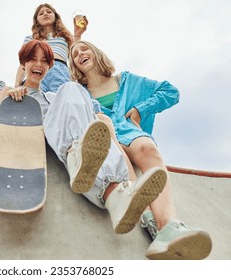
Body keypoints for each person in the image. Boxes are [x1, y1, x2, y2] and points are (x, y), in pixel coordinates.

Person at [3, 39, 167, 240]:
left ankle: (116, 199)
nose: (38, 65)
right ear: (23, 65)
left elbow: (92, 115)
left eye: (44, 61)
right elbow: (0, 118)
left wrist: (105, 123)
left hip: (84, 146)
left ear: (49, 67)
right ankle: (76, 155)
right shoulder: (15, 94)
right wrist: (13, 94)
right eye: (32, 60)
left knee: (77, 92)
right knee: (71, 89)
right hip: (55, 137)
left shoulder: (56, 96)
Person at [69, 40, 212, 259]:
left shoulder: (126, 80)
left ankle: (170, 226)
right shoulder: (80, 92)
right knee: (114, 149)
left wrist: (139, 109)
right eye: (75, 54)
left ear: (96, 52)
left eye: (84, 49)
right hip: (106, 138)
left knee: (147, 148)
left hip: (130, 132)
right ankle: (149, 220)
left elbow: (170, 91)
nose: (80, 54)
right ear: (74, 65)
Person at [14, 3, 88, 93]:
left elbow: (74, 53)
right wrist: (17, 84)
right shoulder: (31, 38)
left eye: (49, 11)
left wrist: (77, 34)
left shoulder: (65, 36)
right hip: (36, 70)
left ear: (55, 16)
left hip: (60, 70)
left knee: (62, 100)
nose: (45, 14)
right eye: (41, 13)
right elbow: (24, 62)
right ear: (36, 20)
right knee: (35, 102)